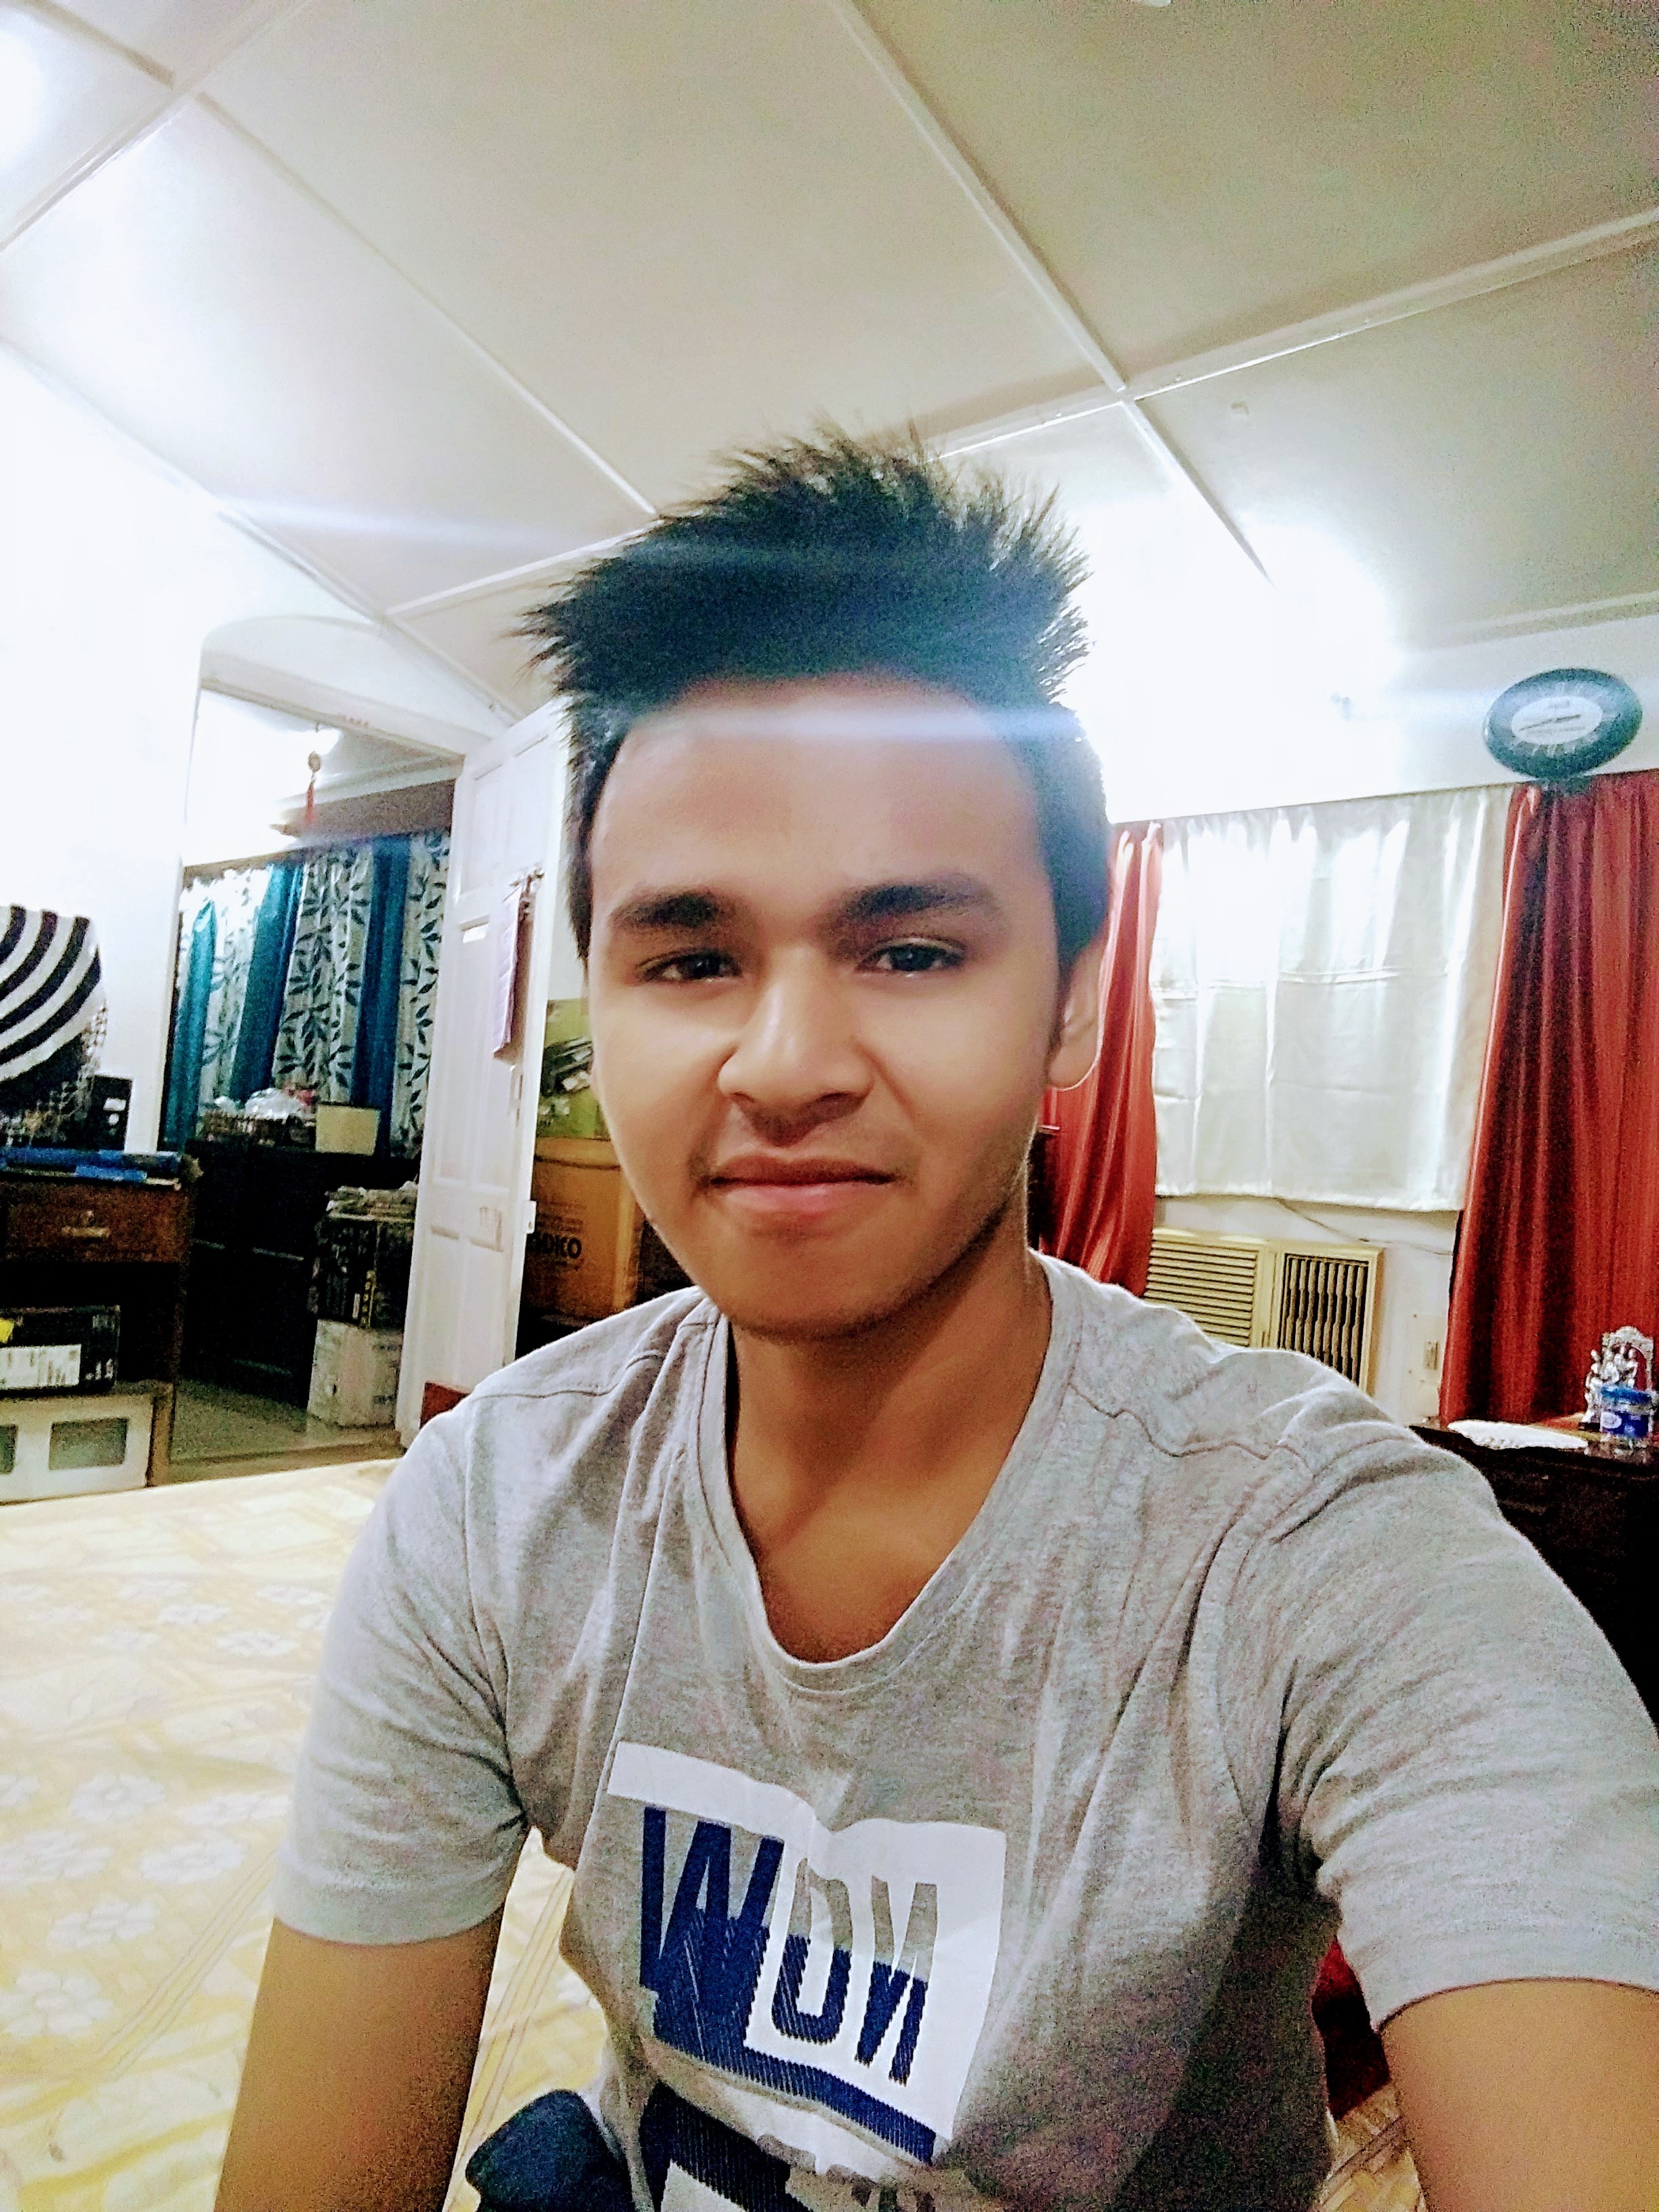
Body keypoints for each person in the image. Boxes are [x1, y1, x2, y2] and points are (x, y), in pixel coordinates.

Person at [217, 434, 1659, 2212]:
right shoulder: (491, 1502)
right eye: (690, 958)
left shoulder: (1317, 1560)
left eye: (909, 952)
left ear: (1072, 1005)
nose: (785, 1067)